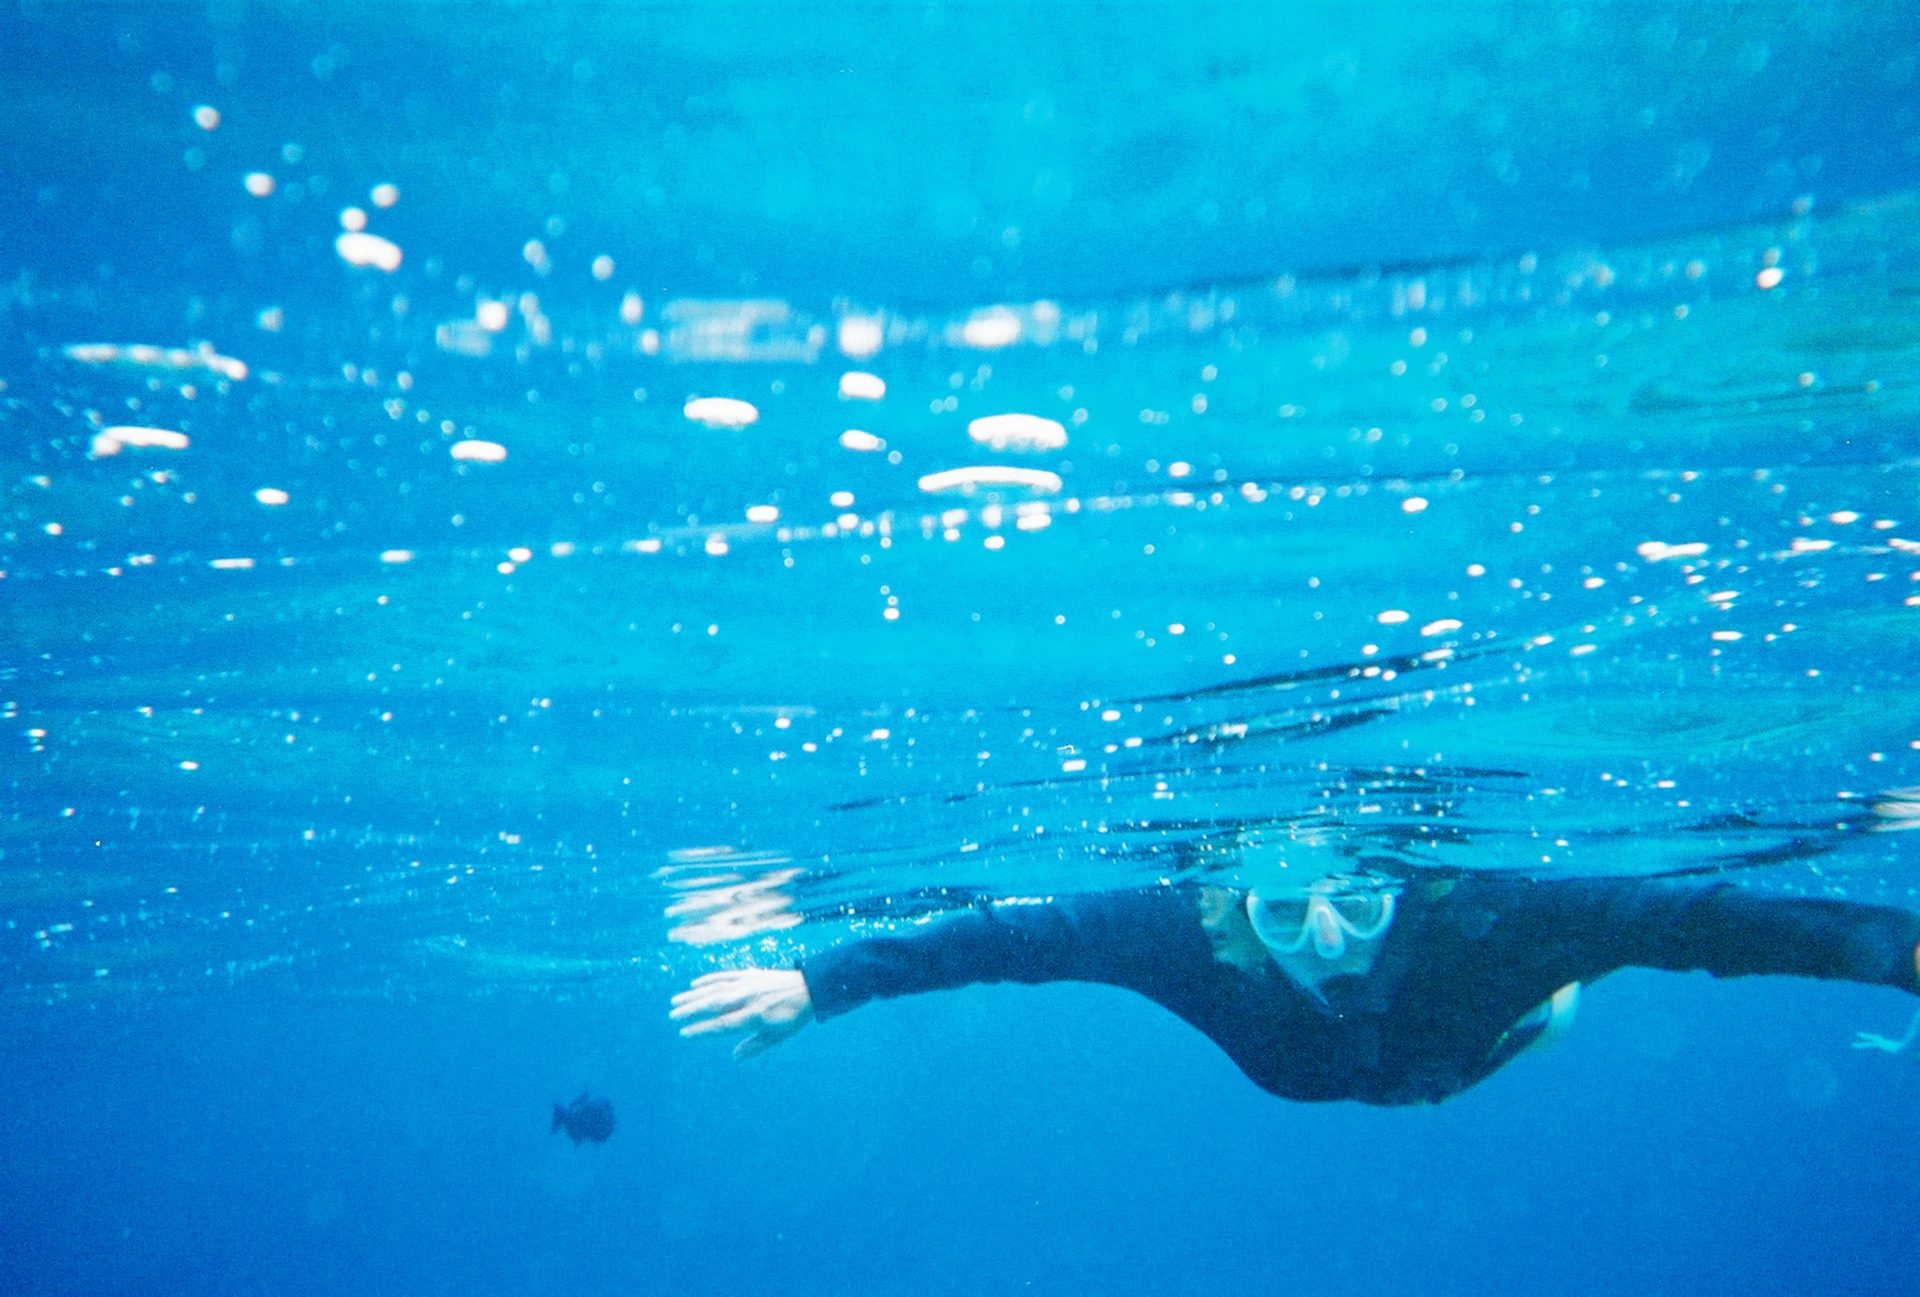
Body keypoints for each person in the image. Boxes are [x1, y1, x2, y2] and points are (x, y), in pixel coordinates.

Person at [670, 869, 1920, 1105]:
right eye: (1282, 908)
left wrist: (1900, 950)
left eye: (1360, 900)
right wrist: (816, 981)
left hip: (1469, 1040)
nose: (1326, 938)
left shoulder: (1487, 915)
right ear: (1228, 906)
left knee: (1566, 974)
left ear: (1410, 886)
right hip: (1307, 1072)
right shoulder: (1177, 931)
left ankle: (1548, 1014)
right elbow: (1013, 938)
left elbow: (1703, 917)